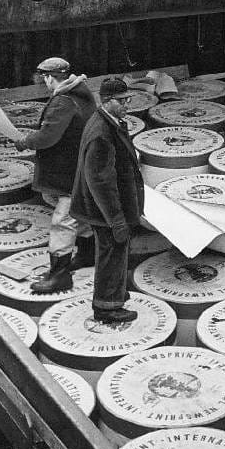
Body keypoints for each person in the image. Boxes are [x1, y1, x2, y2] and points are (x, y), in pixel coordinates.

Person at [14, 56, 96, 294]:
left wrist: (24, 141)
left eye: (44, 79)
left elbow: (48, 136)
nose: (45, 83)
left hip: (69, 169)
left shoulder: (63, 101)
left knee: (63, 219)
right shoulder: (80, 91)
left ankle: (60, 275)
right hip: (82, 164)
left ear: (49, 77)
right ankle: (88, 254)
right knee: (78, 211)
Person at [70, 77, 144, 325]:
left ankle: (116, 293)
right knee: (111, 253)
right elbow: (100, 182)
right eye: (122, 101)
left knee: (116, 252)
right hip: (104, 210)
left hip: (104, 208)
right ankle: (107, 308)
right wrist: (116, 219)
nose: (128, 104)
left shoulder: (106, 120)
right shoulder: (101, 133)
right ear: (107, 101)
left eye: (128, 99)